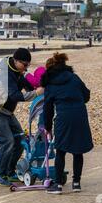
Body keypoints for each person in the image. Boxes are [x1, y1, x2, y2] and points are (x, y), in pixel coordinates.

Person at [0, 48, 44, 186]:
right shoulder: (6, 74)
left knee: (20, 140)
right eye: (24, 65)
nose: (26, 68)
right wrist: (36, 93)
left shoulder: (17, 72)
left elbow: (29, 87)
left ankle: (10, 172)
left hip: (7, 113)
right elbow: (14, 95)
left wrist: (40, 88)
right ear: (16, 61)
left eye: (28, 65)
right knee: (7, 142)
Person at [41, 53, 93, 195]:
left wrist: (47, 127)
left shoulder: (50, 84)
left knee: (61, 150)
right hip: (80, 114)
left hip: (63, 116)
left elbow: (48, 108)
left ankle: (57, 185)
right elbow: (86, 95)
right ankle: (76, 183)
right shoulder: (74, 78)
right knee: (78, 149)